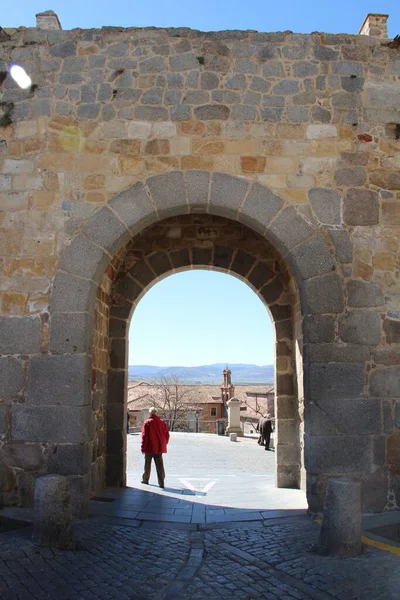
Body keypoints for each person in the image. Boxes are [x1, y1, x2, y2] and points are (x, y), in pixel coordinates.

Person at [141, 407, 170, 488]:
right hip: (159, 447)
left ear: (150, 413)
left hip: (149, 447)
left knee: (147, 465)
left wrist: (143, 447)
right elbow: (167, 435)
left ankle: (145, 479)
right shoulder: (162, 422)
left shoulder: (147, 423)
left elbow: (144, 436)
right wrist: (164, 443)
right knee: (160, 465)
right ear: (156, 413)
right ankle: (161, 482)